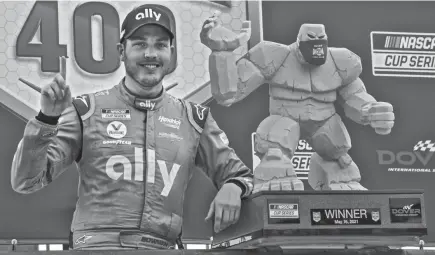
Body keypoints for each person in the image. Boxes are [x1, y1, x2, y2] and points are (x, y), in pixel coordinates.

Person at [11, 4, 253, 250]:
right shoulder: (87, 110)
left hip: (162, 247)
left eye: (160, 45)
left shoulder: (194, 118)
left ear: (171, 52)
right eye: (139, 44)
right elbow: (27, 181)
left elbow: (240, 174)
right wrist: (46, 119)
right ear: (121, 51)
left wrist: (234, 186)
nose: (151, 54)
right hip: (96, 247)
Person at [200, 17, 394, 191]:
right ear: (299, 43)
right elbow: (228, 94)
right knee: (275, 153)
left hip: (325, 123)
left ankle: (336, 178)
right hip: (284, 118)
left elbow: (356, 94)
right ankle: (275, 176)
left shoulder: (341, 62)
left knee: (338, 155)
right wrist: (222, 54)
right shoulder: (274, 56)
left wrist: (370, 110)